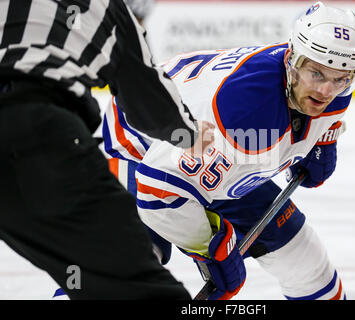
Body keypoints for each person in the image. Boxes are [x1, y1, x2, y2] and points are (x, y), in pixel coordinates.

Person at [101, 1, 355, 300]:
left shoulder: (329, 72)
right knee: (121, 272)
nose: (326, 92)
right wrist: (209, 248)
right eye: (317, 74)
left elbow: (328, 97)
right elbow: (156, 189)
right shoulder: (243, 116)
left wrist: (324, 138)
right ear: (292, 59)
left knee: (304, 261)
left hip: (219, 159)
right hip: (142, 146)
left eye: (341, 79)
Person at [0, 0, 213, 299]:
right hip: (36, 131)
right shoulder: (106, 6)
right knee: (141, 289)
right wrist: (190, 134)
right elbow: (147, 98)